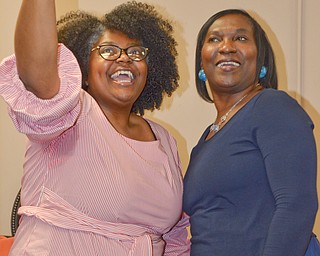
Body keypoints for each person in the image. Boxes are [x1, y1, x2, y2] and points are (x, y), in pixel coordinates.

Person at [0, 0, 190, 255]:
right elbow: (36, 75)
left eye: (135, 52)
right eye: (108, 51)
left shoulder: (163, 139)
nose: (124, 58)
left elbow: (174, 239)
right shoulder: (70, 111)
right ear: (83, 70)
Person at [182, 9, 318, 256]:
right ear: (201, 64)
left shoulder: (272, 106)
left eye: (241, 38)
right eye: (214, 39)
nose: (227, 46)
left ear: (262, 60)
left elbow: (296, 205)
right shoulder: (205, 140)